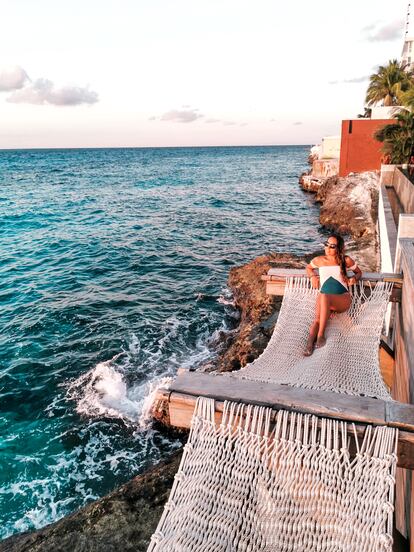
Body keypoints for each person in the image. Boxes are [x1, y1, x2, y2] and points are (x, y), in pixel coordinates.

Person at [304, 233, 362, 356]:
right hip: (326, 300)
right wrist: (313, 276)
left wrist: (354, 279)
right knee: (318, 319)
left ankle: (321, 335)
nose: (328, 248)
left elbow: (358, 272)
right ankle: (309, 343)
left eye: (332, 246)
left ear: (339, 248)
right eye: (327, 244)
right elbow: (308, 268)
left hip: (342, 299)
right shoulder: (319, 260)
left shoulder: (346, 260)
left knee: (324, 296)